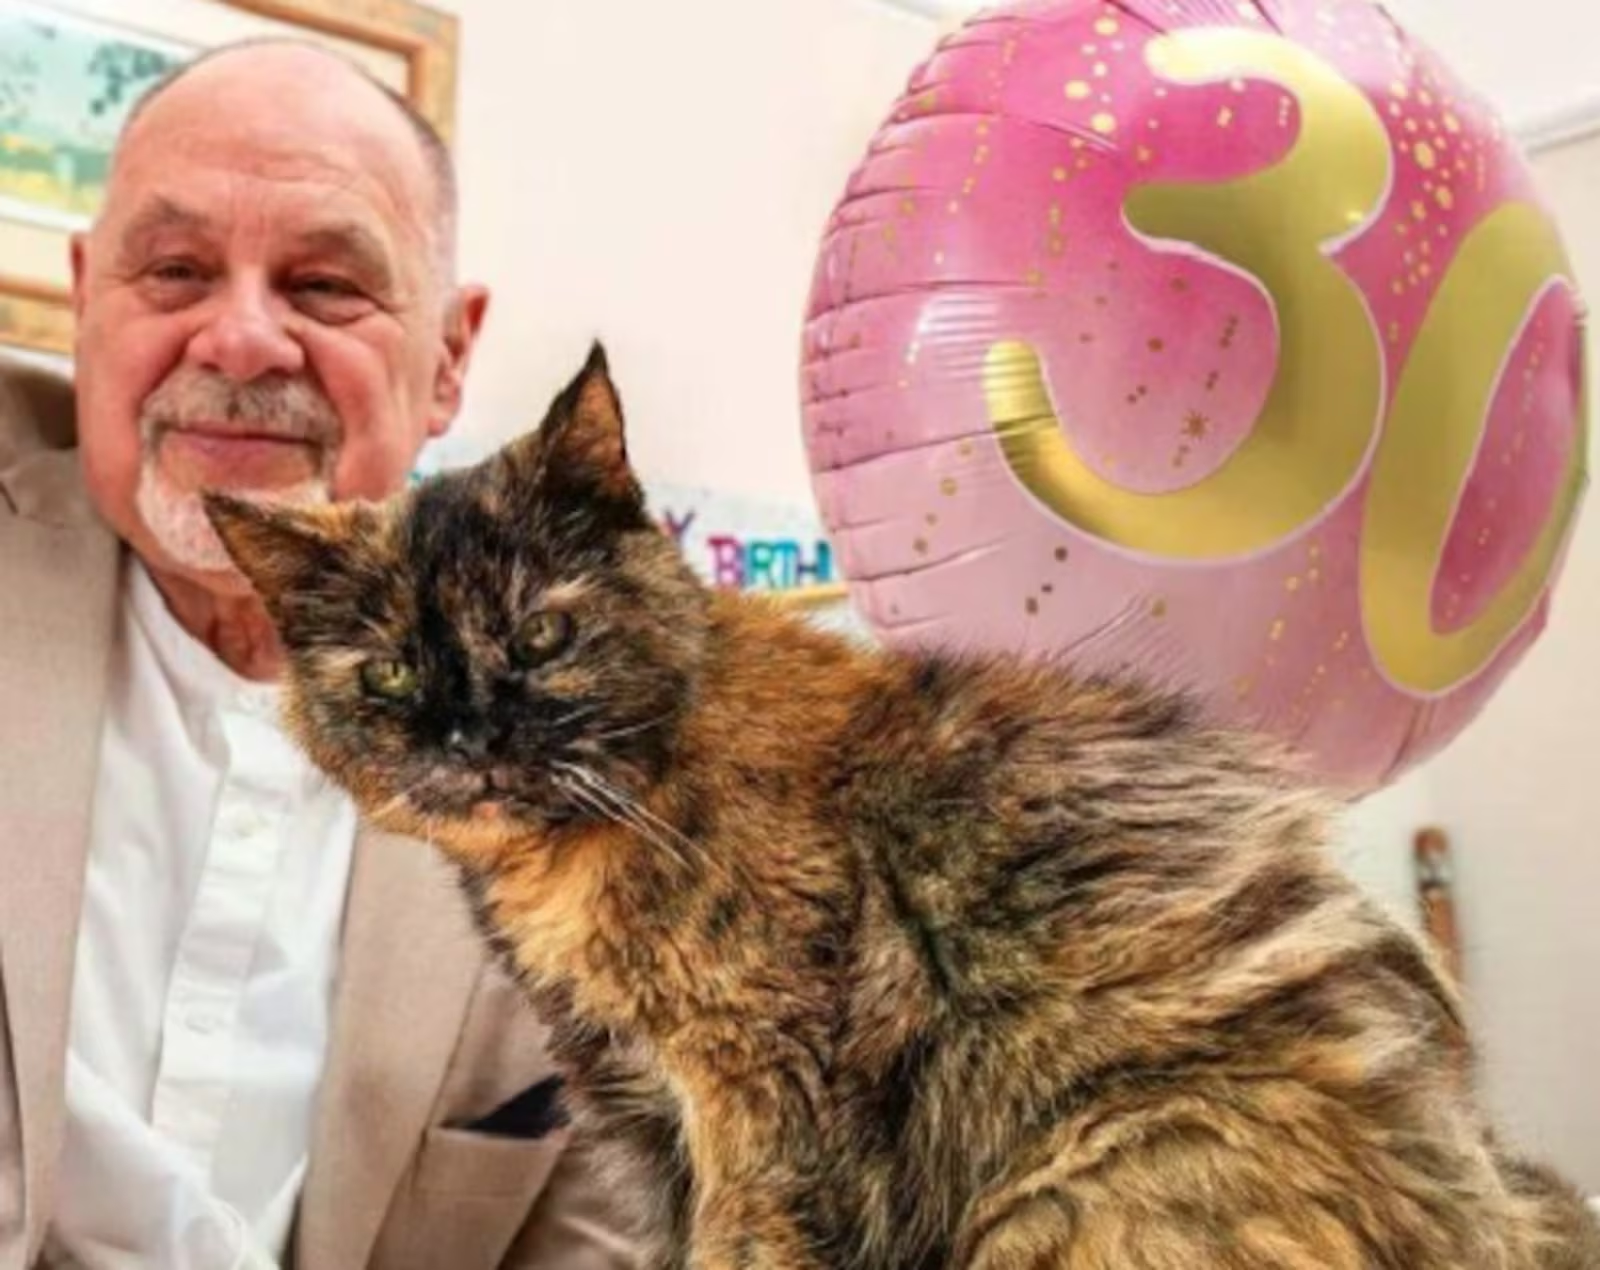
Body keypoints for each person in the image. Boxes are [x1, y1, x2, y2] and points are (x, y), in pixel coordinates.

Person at [0, 38, 637, 1270]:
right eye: (175, 271)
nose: (241, 342)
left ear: (448, 358)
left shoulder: (602, 764)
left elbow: (604, 1231)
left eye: (326, 286)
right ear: (86, 300)